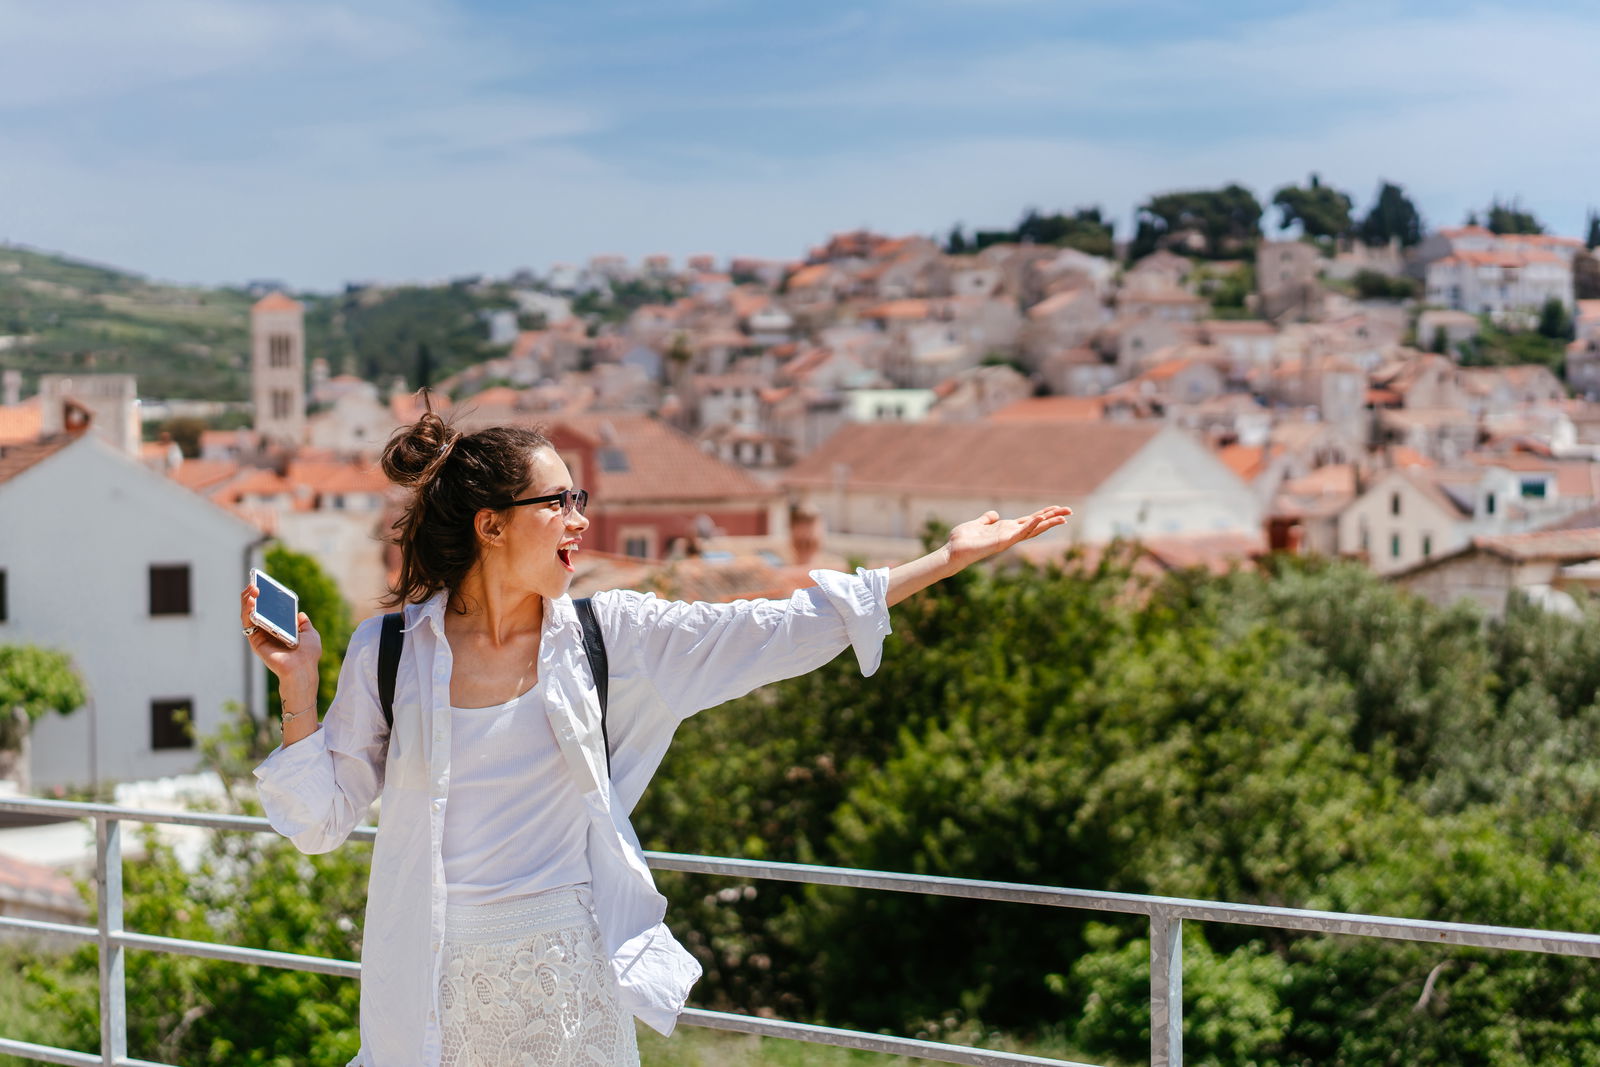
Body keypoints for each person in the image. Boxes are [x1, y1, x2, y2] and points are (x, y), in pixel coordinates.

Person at [244, 412, 1071, 1067]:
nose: (580, 519)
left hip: (564, 976)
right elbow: (317, 822)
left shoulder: (614, 634)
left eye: (580, 498)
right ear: (492, 526)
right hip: (430, 981)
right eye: (557, 502)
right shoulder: (386, 650)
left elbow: (776, 626)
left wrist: (942, 560)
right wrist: (298, 688)